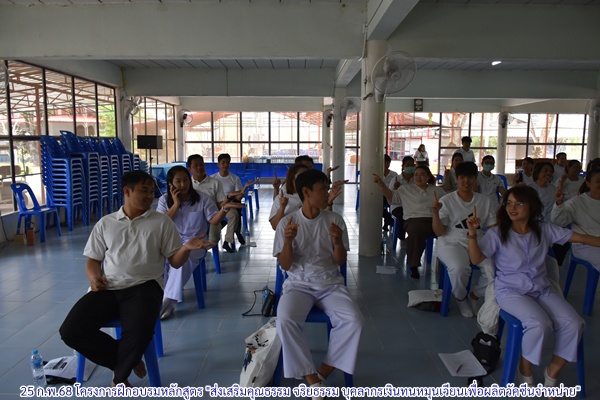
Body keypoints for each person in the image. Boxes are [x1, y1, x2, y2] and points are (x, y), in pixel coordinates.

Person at [59, 170, 214, 387]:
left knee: (140, 331)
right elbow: (93, 261)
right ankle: (123, 361)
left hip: (145, 286)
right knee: (70, 330)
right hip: (109, 287)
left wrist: (186, 248)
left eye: (151, 191)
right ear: (127, 191)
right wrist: (94, 278)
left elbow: (175, 262)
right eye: (144, 191)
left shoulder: (161, 222)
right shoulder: (106, 223)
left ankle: (119, 376)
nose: (150, 196)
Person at [466, 185, 596, 388]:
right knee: (539, 323)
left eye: (519, 203)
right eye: (509, 203)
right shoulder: (498, 233)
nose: (512, 208)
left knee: (574, 323)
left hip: (541, 289)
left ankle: (552, 371)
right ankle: (524, 368)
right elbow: (476, 259)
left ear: (532, 206)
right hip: (511, 291)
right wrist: (472, 234)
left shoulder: (544, 229)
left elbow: (581, 238)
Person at [274, 169, 363, 399]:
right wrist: (288, 242)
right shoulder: (287, 223)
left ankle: (321, 373)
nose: (328, 193)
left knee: (353, 320)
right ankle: (312, 379)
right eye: (323, 188)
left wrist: (337, 242)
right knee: (285, 319)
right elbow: (285, 265)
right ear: (306, 192)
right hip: (298, 284)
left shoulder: (334, 220)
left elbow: (339, 261)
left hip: (330, 284)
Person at [157, 166, 242, 319]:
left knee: (183, 260)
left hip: (196, 243)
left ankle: (168, 301)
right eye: (178, 181)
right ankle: (164, 296)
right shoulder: (164, 200)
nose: (183, 184)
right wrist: (175, 204)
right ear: (171, 184)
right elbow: (162, 223)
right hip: (171, 243)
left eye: (185, 180)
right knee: (158, 259)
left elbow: (213, 220)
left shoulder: (202, 198)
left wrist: (224, 209)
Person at [432, 161, 496, 318]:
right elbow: (439, 232)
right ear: (457, 179)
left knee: (495, 268)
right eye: (462, 177)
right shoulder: (447, 200)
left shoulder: (484, 200)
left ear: (475, 179)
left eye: (470, 177)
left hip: (478, 240)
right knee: (459, 267)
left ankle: (475, 294)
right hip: (451, 241)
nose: (466, 181)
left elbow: (493, 227)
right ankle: (461, 298)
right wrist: (435, 214)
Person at [374, 165, 445, 279]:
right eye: (416, 174)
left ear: (428, 176)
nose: (418, 177)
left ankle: (445, 262)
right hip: (414, 220)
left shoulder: (438, 190)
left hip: (435, 219)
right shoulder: (405, 189)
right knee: (416, 231)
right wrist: (382, 185)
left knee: (448, 232)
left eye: (422, 174)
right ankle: (413, 265)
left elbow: (446, 206)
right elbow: (392, 197)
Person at [552, 164, 600, 273]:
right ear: (588, 183)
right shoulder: (577, 202)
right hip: (585, 245)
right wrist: (559, 204)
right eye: (598, 181)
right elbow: (558, 221)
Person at [211, 153, 255, 253]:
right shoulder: (213, 179)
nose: (225, 165)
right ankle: (236, 232)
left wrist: (244, 188)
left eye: (227, 162)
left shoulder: (234, 178)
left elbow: (238, 197)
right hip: (215, 206)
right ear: (218, 164)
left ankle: (227, 241)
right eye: (223, 162)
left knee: (234, 215)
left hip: (228, 205)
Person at [187, 154, 226, 243]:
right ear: (189, 169)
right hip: (193, 217)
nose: (199, 167)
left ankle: (208, 246)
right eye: (195, 165)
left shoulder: (215, 183)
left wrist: (225, 206)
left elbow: (220, 203)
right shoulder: (187, 184)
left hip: (211, 216)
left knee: (213, 238)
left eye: (201, 164)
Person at [269, 162, 309, 230]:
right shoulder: (283, 195)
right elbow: (275, 226)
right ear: (292, 177)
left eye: (307, 176)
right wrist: (282, 207)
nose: (305, 178)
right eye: (301, 175)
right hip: (288, 234)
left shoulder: (311, 195)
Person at [388, 156, 415, 242]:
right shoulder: (396, 179)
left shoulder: (416, 179)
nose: (410, 167)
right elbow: (390, 195)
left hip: (413, 205)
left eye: (412, 165)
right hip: (398, 206)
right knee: (402, 215)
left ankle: (414, 237)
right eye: (407, 165)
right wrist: (395, 189)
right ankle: (401, 238)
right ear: (403, 167)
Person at [381, 154, 399, 231]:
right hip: (380, 195)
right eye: (385, 163)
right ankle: (387, 217)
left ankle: (387, 221)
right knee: (377, 205)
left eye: (388, 163)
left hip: (390, 195)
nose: (386, 165)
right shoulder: (377, 173)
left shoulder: (394, 174)